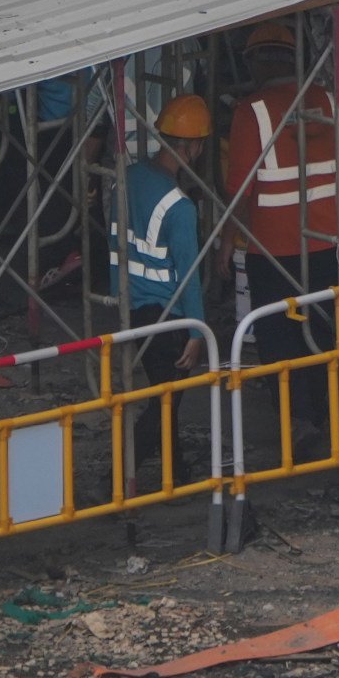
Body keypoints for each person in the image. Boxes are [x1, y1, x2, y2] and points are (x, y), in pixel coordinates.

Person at [221, 25, 339, 460]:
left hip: (271, 252)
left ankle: (297, 427)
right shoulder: (328, 101)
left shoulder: (250, 112)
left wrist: (223, 249)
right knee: (324, 335)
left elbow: (239, 192)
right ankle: (329, 420)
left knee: (279, 342)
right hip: (327, 246)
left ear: (256, 62)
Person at [115, 95, 219, 489]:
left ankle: (174, 469)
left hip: (130, 306)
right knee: (166, 399)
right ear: (194, 146)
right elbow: (189, 276)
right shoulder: (180, 207)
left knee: (165, 396)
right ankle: (119, 476)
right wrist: (196, 332)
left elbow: (116, 244)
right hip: (166, 312)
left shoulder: (128, 179)